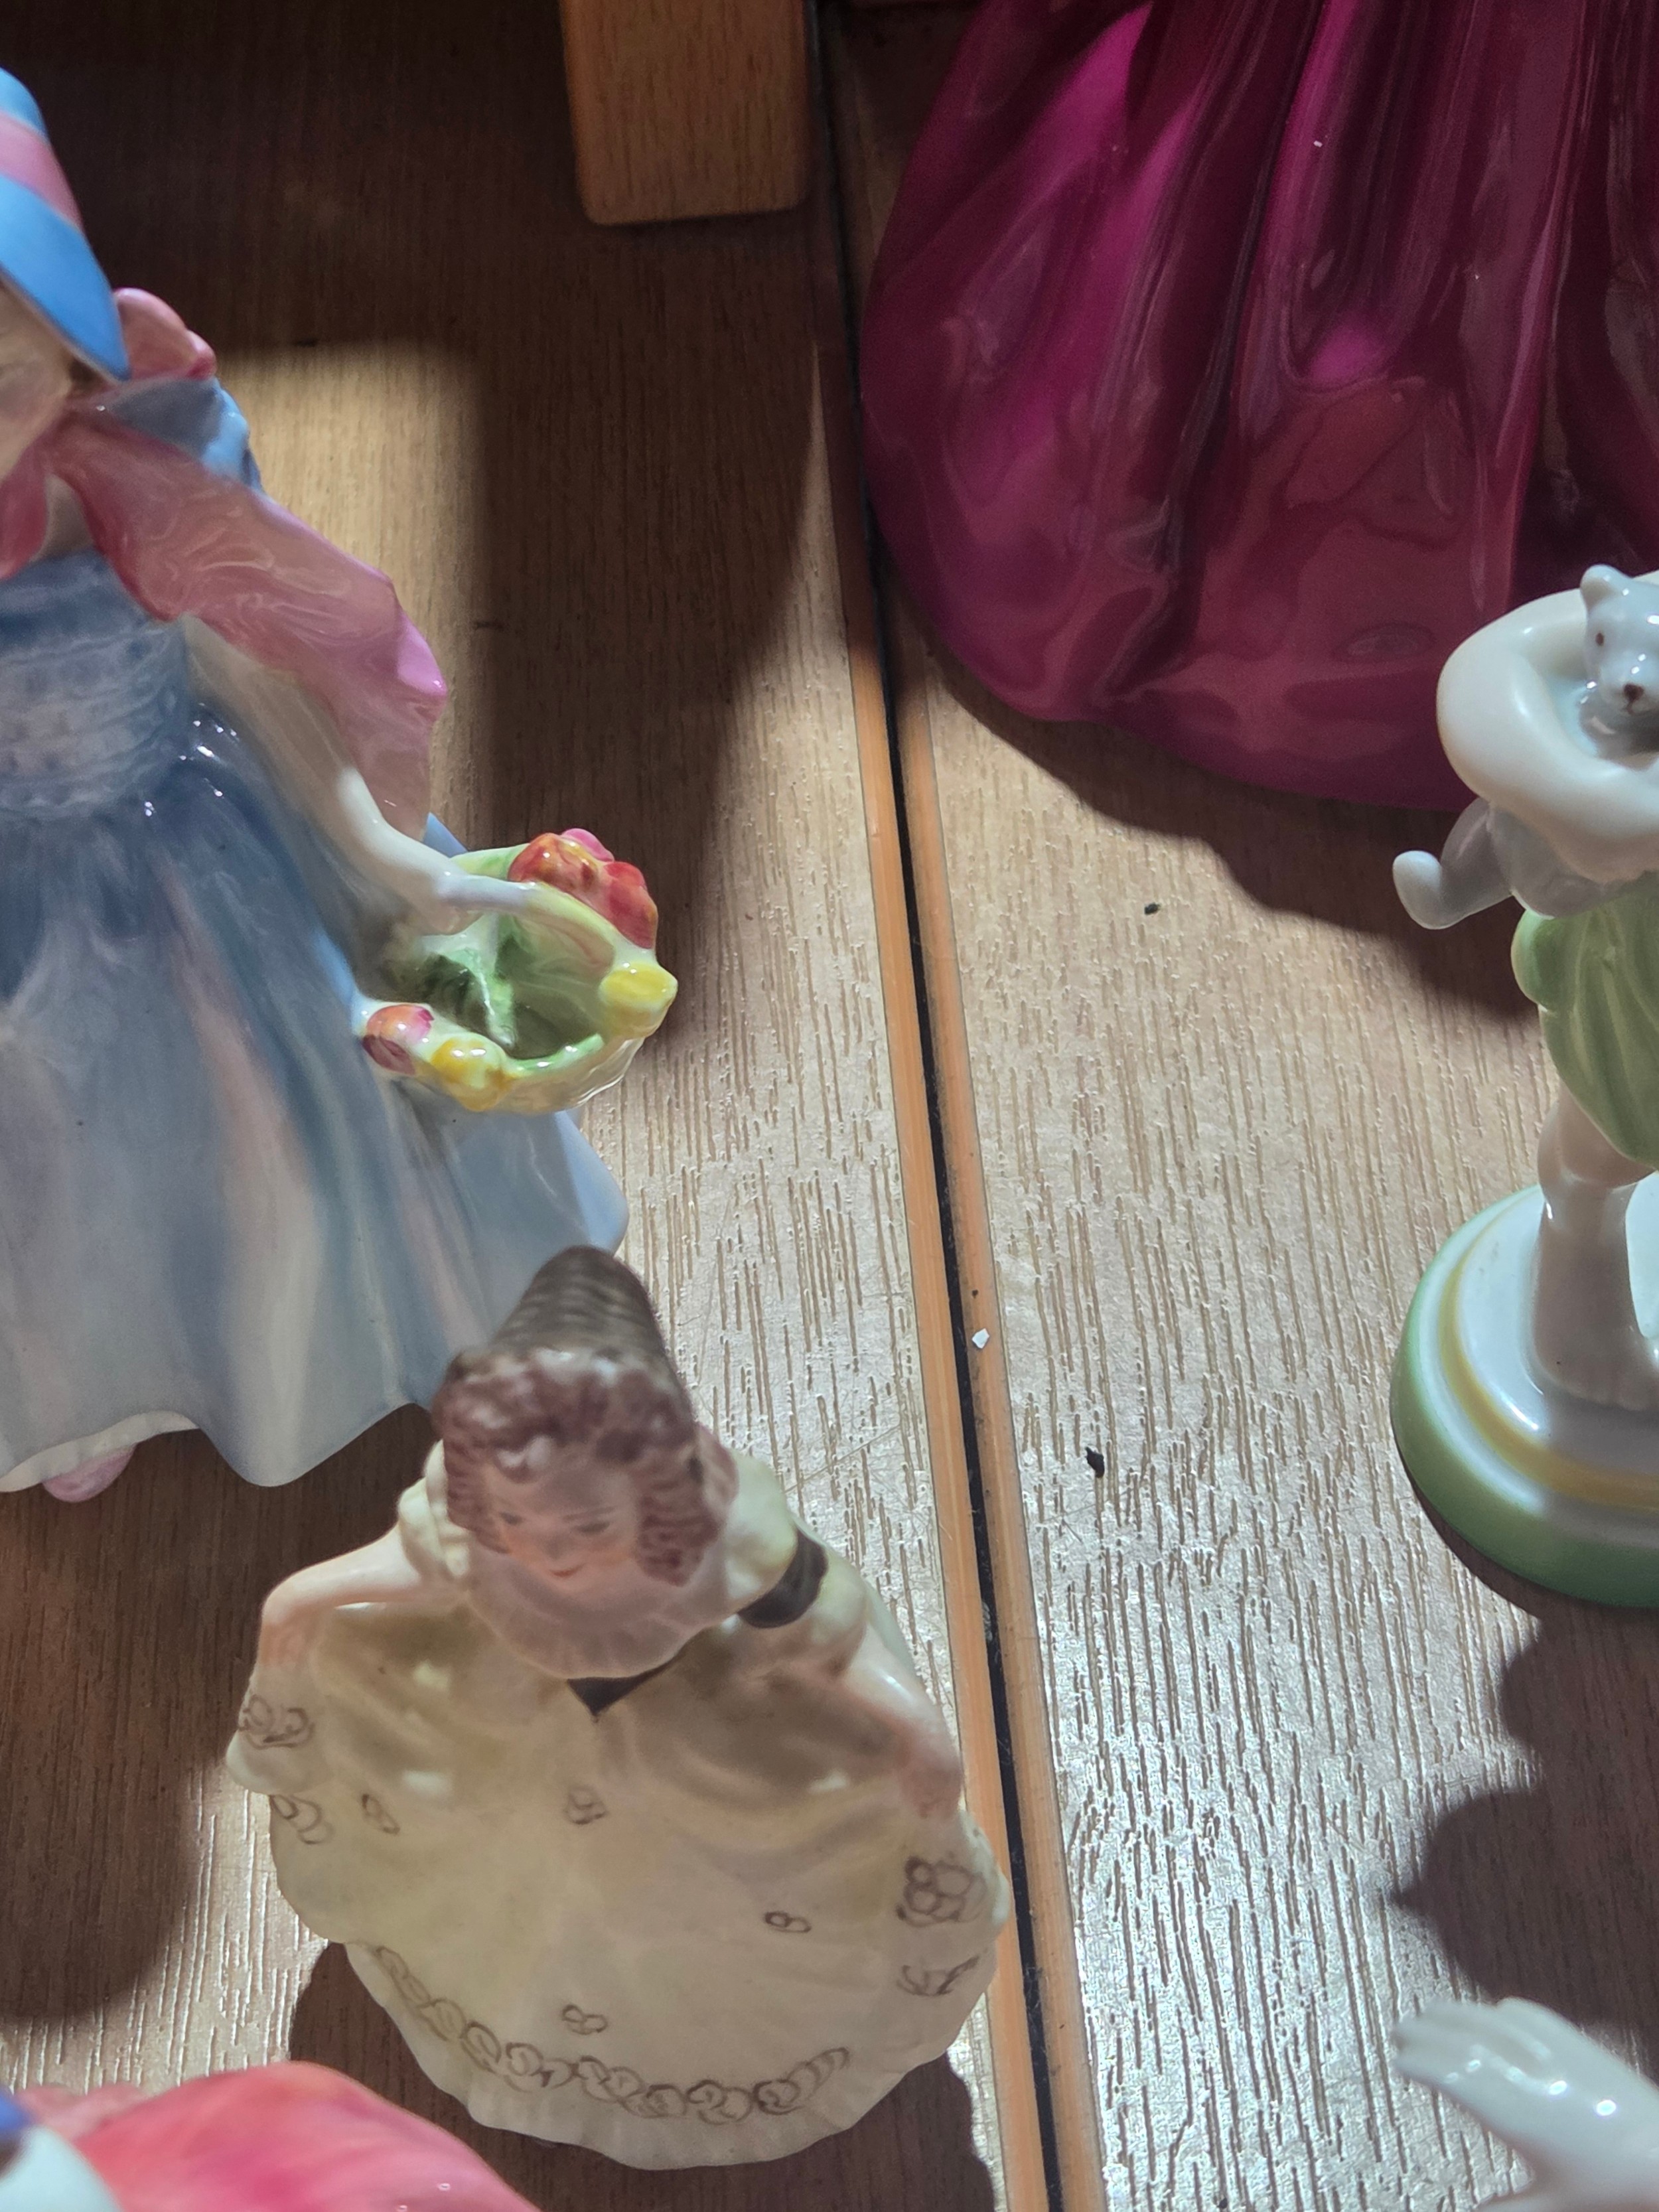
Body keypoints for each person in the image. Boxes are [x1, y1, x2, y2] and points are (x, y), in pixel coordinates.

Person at [0, 71, 641, 1499]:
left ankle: (222, 1342)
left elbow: (255, 667)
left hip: (183, 848)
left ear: (74, 350)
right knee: (41, 1165)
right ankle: (72, 1384)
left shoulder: (149, 488)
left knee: (251, 1125)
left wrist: (389, 850)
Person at [229, 1248, 1009, 2170]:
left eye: (589, 1527)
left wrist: (916, 1731)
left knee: (714, 1910)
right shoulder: (474, 1528)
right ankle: (507, 2022)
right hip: (502, 1735)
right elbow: (411, 1569)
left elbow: (826, 1639)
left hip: (705, 1752)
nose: (553, 1553)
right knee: (502, 1882)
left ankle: (698, 2064)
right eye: (521, 1525)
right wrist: (297, 1605)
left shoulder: (724, 1546)